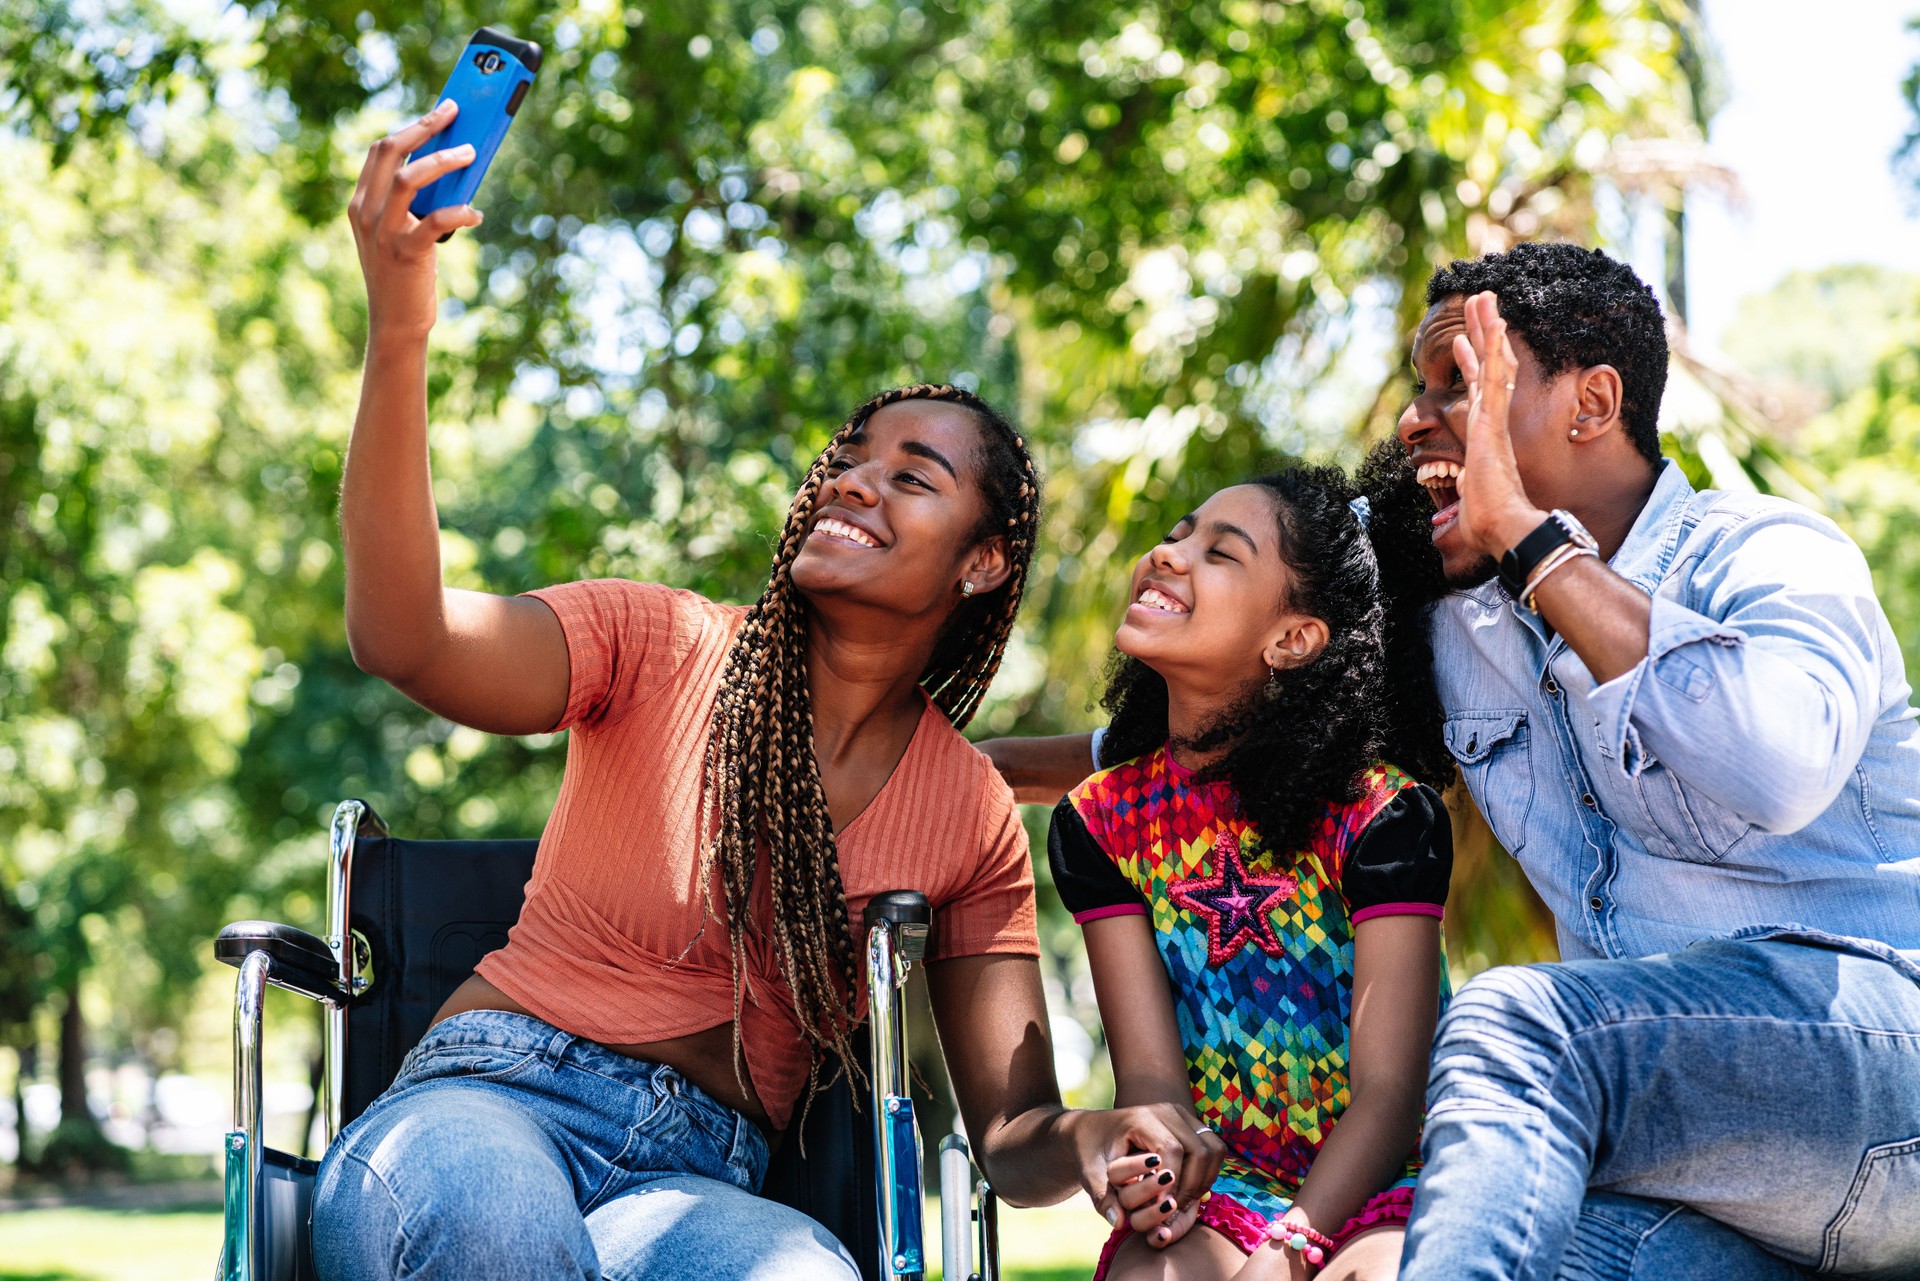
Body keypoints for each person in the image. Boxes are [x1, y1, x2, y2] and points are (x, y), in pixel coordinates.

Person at [314, 102, 1207, 1281]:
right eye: (847, 460)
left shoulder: (964, 815)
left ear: (983, 563)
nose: (851, 483)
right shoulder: (657, 644)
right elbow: (407, 638)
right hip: (484, 1106)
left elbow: (1009, 1137)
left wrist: (1092, 1134)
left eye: (913, 475)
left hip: (694, 1181)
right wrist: (401, 325)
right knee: (504, 1243)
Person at [989, 242, 1920, 1279]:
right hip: (1700, 1183)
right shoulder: (1460, 616)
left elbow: (1778, 766)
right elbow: (1237, 698)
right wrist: (964, 770)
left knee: (1516, 1016)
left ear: (1593, 401)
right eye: (1416, 386)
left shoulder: (1768, 554)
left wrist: (1530, 539)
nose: (1413, 419)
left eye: (1459, 384)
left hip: (1881, 1089)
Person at [1048, 461, 1457, 1281]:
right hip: (1227, 1179)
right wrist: (1154, 1166)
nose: (1171, 553)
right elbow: (1156, 1083)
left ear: (1292, 638)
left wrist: (1292, 1248)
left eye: (1220, 552)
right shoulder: (1099, 823)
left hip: (1393, 1174)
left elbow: (1389, 1094)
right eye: (1175, 535)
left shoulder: (1381, 815)